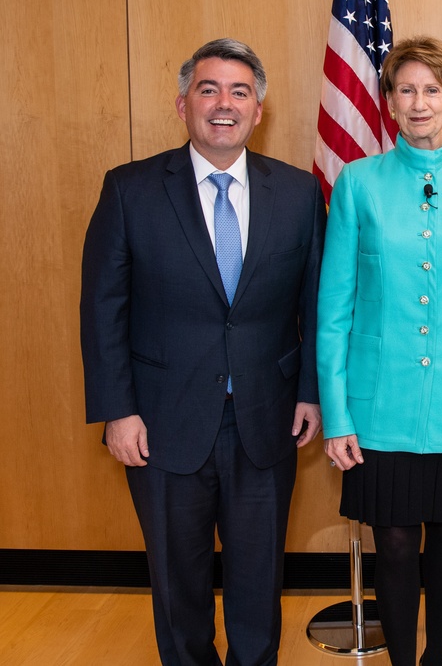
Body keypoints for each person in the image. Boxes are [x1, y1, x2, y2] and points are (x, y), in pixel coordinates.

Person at [80, 38, 326, 665]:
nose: (224, 104)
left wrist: (309, 392)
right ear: (183, 104)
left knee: (257, 581)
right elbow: (103, 308)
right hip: (161, 423)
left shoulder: (298, 194)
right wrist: (118, 410)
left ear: (259, 110)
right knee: (177, 586)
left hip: (266, 420)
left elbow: (318, 302)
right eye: (209, 90)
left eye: (240, 92)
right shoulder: (130, 190)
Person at [317, 36, 442, 666]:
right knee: (397, 544)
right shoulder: (358, 182)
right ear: (389, 102)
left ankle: (438, 654)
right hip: (381, 403)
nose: (419, 102)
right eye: (406, 89)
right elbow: (335, 307)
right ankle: (402, 658)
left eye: (433, 90)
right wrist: (337, 412)